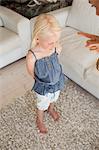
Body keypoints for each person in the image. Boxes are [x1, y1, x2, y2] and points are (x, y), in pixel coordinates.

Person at [26, 14, 65, 133]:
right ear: (37, 38)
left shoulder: (55, 47)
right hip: (43, 85)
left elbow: (56, 59)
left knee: (54, 98)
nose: (54, 45)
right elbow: (31, 71)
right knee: (42, 104)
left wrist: (55, 75)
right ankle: (40, 120)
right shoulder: (32, 56)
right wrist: (41, 80)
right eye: (50, 43)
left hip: (57, 80)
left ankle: (51, 109)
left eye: (56, 41)